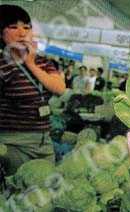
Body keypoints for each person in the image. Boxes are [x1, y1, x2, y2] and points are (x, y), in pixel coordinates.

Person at [0, 5, 65, 175]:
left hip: (44, 141)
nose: (22, 33)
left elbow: (59, 88)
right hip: (13, 144)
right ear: (1, 33)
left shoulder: (42, 62)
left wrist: (30, 63)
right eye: (13, 27)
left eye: (26, 27)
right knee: (18, 191)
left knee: (44, 190)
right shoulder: (2, 66)